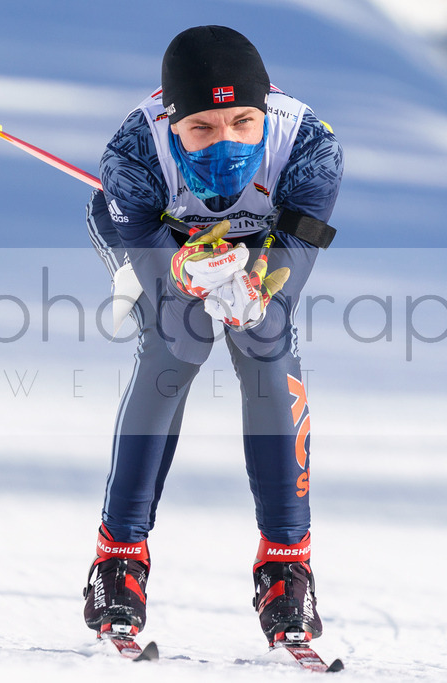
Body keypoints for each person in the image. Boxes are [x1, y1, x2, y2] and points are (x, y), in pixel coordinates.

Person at [82, 25, 344, 646]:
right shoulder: (134, 154)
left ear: (265, 112)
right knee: (176, 346)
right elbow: (146, 251)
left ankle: (287, 566)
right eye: (201, 128)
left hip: (261, 242)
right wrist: (182, 271)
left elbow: (294, 257)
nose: (225, 141)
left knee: (267, 346)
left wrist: (256, 288)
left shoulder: (310, 146)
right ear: (173, 122)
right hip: (161, 236)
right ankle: (118, 559)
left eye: (243, 123)